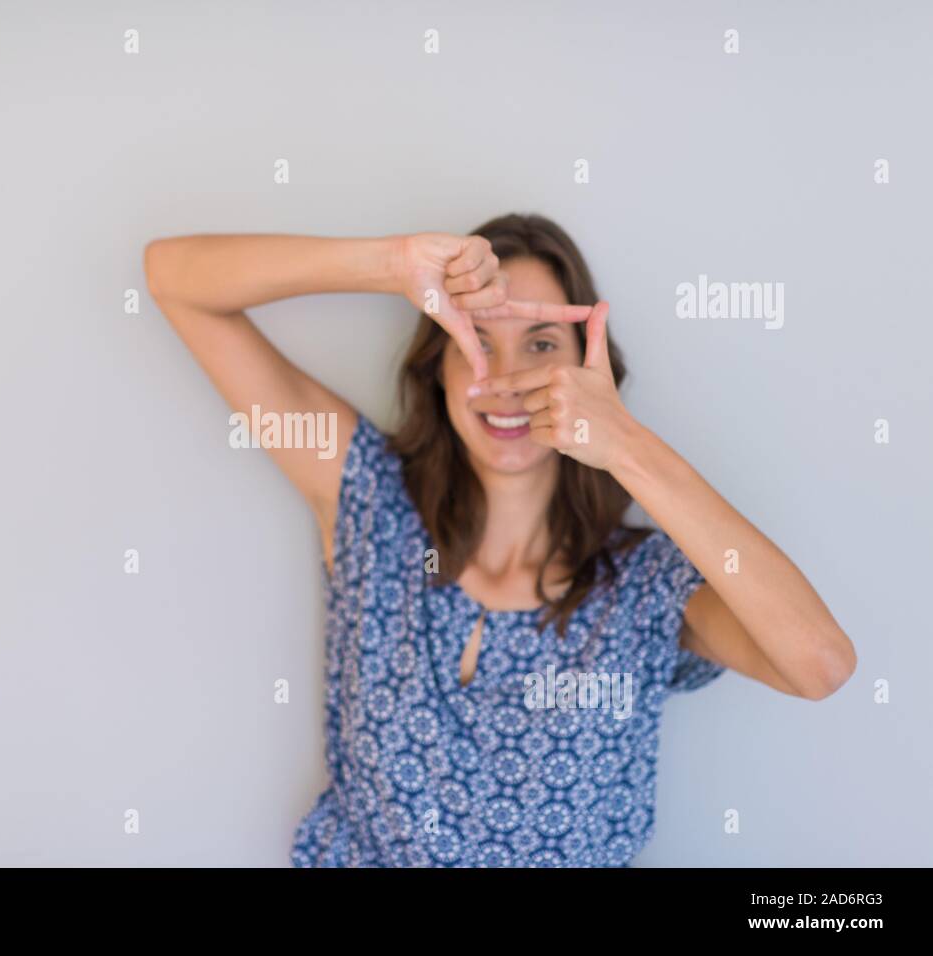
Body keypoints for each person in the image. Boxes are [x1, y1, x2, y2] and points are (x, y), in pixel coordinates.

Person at [143, 214, 856, 867]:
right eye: (476, 338)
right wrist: (390, 264)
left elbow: (819, 663)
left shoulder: (644, 586)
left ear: (588, 369)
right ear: (440, 365)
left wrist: (627, 446)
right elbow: (174, 277)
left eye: (540, 344)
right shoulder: (371, 501)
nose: (507, 380)